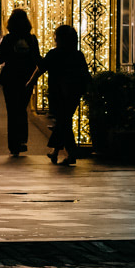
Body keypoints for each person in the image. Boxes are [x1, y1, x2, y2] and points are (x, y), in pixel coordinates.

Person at [0, 6, 43, 158]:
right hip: (27, 78)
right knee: (22, 109)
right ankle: (22, 140)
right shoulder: (32, 39)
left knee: (12, 110)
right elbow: (37, 59)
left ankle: (13, 144)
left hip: (10, 78)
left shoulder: (8, 39)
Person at [40, 24, 88, 165]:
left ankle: (71, 153)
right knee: (64, 121)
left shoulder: (54, 54)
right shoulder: (77, 55)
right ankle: (56, 152)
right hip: (74, 93)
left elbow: (41, 67)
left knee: (63, 122)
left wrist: (30, 82)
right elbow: (85, 73)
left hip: (57, 93)